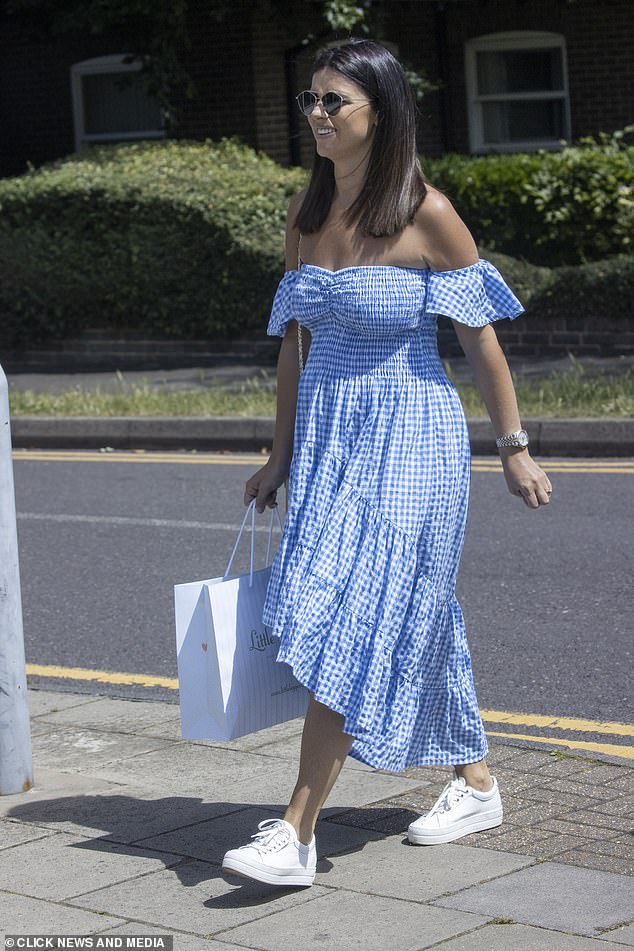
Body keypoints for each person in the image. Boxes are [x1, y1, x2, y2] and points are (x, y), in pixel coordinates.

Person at [222, 38, 552, 888]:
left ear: (383, 111)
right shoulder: (305, 217)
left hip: (412, 437)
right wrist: (279, 451)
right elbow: (295, 342)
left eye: (336, 102)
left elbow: (481, 345)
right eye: (312, 101)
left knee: (358, 606)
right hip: (332, 440)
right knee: (408, 606)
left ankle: (295, 830)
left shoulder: (426, 213)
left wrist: (513, 448)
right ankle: (475, 781)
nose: (318, 116)